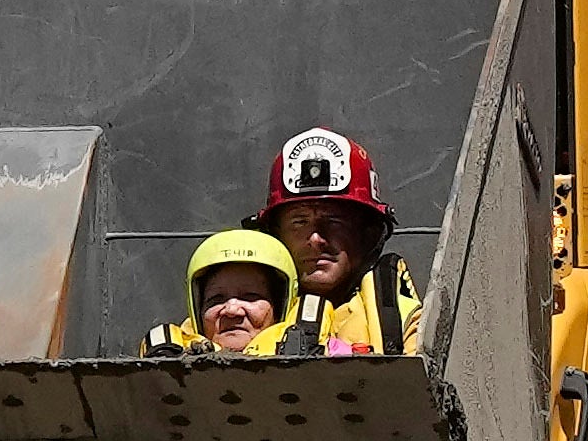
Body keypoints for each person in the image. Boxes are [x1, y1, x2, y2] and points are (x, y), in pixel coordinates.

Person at [252, 126, 424, 356]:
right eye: (299, 222)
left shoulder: (408, 324)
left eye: (334, 221)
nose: (315, 239)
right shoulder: (232, 312)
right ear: (275, 234)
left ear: (369, 233)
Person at [145, 227, 309, 357]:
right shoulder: (162, 362)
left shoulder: (328, 353)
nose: (231, 310)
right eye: (216, 299)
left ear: (280, 307)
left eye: (250, 297)